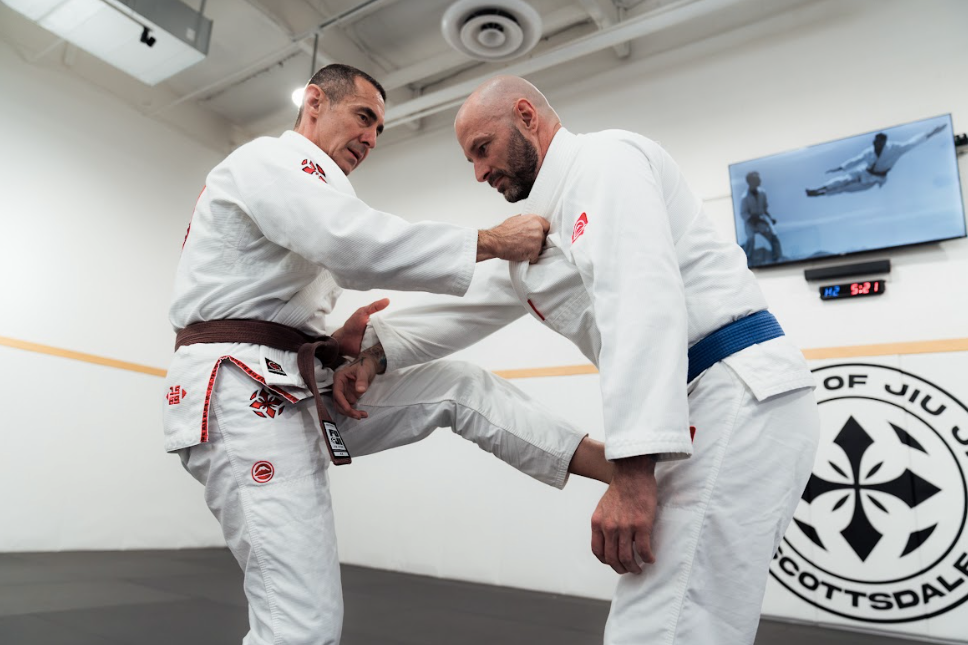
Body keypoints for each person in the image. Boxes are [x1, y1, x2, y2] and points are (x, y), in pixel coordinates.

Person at [335, 75, 821, 645]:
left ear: (526, 115)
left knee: (665, 625)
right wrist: (374, 352)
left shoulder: (606, 162)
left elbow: (640, 299)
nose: (479, 173)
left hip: (735, 387)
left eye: (483, 149)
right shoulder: (539, 233)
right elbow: (469, 305)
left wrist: (633, 472)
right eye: (471, 160)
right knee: (682, 620)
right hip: (708, 403)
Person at [163, 64, 612, 645]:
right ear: (315, 102)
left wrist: (339, 346)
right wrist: (491, 240)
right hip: (241, 390)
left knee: (457, 386)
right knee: (300, 626)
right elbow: (349, 243)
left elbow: (285, 287)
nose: (371, 138)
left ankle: (610, 466)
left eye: (379, 129)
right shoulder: (268, 160)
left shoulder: (312, 186)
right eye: (364, 117)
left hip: (287, 380)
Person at [806, 123, 948, 196]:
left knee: (846, 188)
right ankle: (817, 189)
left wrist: (932, 133)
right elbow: (856, 160)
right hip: (863, 171)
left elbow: (912, 143)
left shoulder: (895, 148)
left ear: (884, 142)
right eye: (874, 142)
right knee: (842, 180)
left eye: (878, 142)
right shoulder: (869, 151)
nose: (875, 144)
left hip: (875, 179)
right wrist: (840, 168)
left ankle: (822, 193)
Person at [739, 171, 781, 264]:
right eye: (757, 179)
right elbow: (743, 213)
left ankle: (777, 258)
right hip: (750, 223)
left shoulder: (762, 193)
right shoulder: (744, 197)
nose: (760, 180)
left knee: (774, 237)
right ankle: (747, 262)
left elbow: (764, 209)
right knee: (751, 240)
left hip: (761, 221)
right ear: (751, 181)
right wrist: (753, 220)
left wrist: (770, 219)